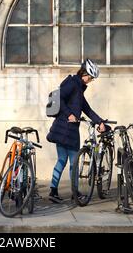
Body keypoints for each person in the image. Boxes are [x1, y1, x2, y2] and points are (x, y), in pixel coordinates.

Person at [46, 59, 106, 203]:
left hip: (63, 130)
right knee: (73, 162)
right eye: (90, 78)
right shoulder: (73, 84)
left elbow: (87, 109)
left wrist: (100, 121)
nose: (90, 81)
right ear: (84, 74)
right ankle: (74, 193)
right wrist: (70, 114)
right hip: (67, 130)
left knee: (62, 160)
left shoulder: (78, 89)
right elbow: (59, 97)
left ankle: (53, 191)